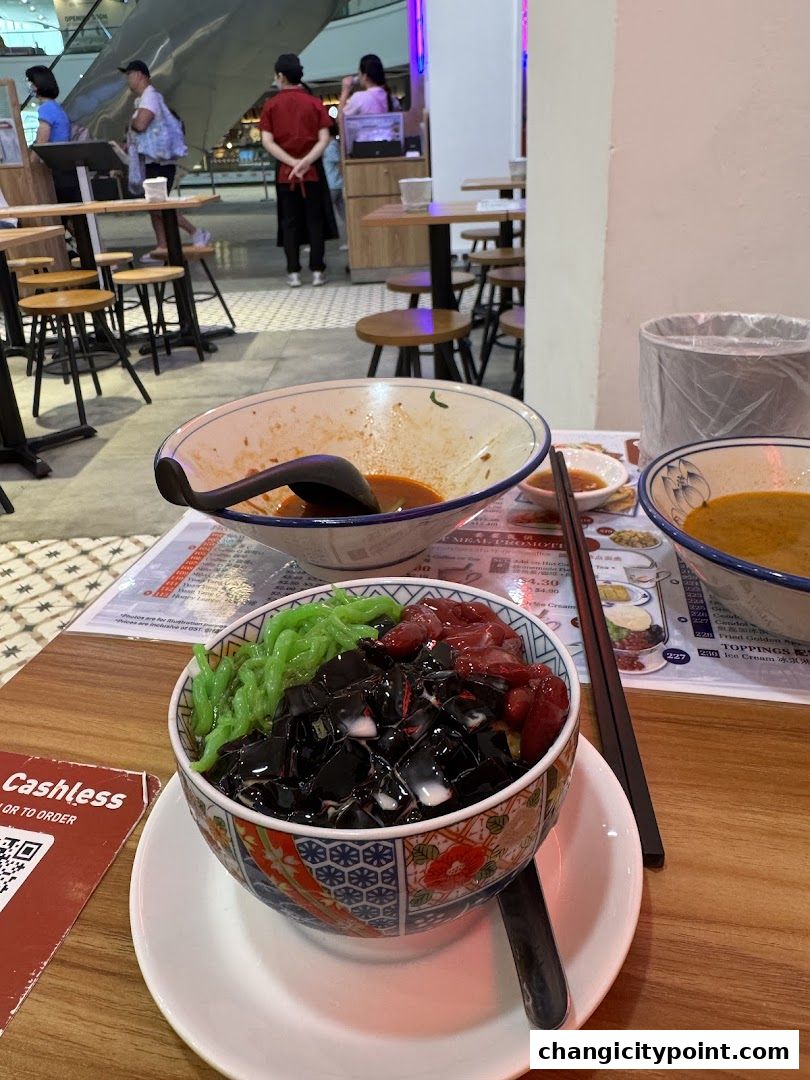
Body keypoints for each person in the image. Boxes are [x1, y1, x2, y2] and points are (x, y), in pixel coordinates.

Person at [259, 53, 337, 288]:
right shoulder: (314, 103)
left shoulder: (271, 105)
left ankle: (293, 272)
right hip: (312, 170)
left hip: (286, 172)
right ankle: (317, 271)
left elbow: (267, 141)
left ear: (281, 76)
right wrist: (306, 161)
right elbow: (325, 138)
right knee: (315, 219)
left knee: (289, 221)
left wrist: (292, 163)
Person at [119, 60, 210, 260]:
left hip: (160, 163)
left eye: (129, 75)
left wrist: (130, 123)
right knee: (154, 208)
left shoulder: (150, 97)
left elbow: (141, 124)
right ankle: (162, 247)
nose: (128, 80)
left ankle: (196, 232)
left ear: (140, 75)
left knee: (159, 206)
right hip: (154, 162)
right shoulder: (145, 99)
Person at [25, 65, 82, 203]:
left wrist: (30, 165)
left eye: (29, 81)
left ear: (36, 85)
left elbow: (41, 141)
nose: (28, 85)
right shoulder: (56, 107)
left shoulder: (46, 109)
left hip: (58, 170)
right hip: (66, 166)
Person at [339, 54, 400, 118]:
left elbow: (341, 119)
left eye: (359, 73)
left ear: (365, 76)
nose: (358, 76)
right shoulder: (393, 100)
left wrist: (345, 91)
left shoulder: (359, 98)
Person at [322, 123, 347, 251]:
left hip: (332, 185)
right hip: (336, 184)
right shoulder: (333, 145)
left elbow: (339, 165)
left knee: (322, 214)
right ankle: (351, 241)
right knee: (344, 214)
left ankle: (317, 243)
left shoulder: (331, 147)